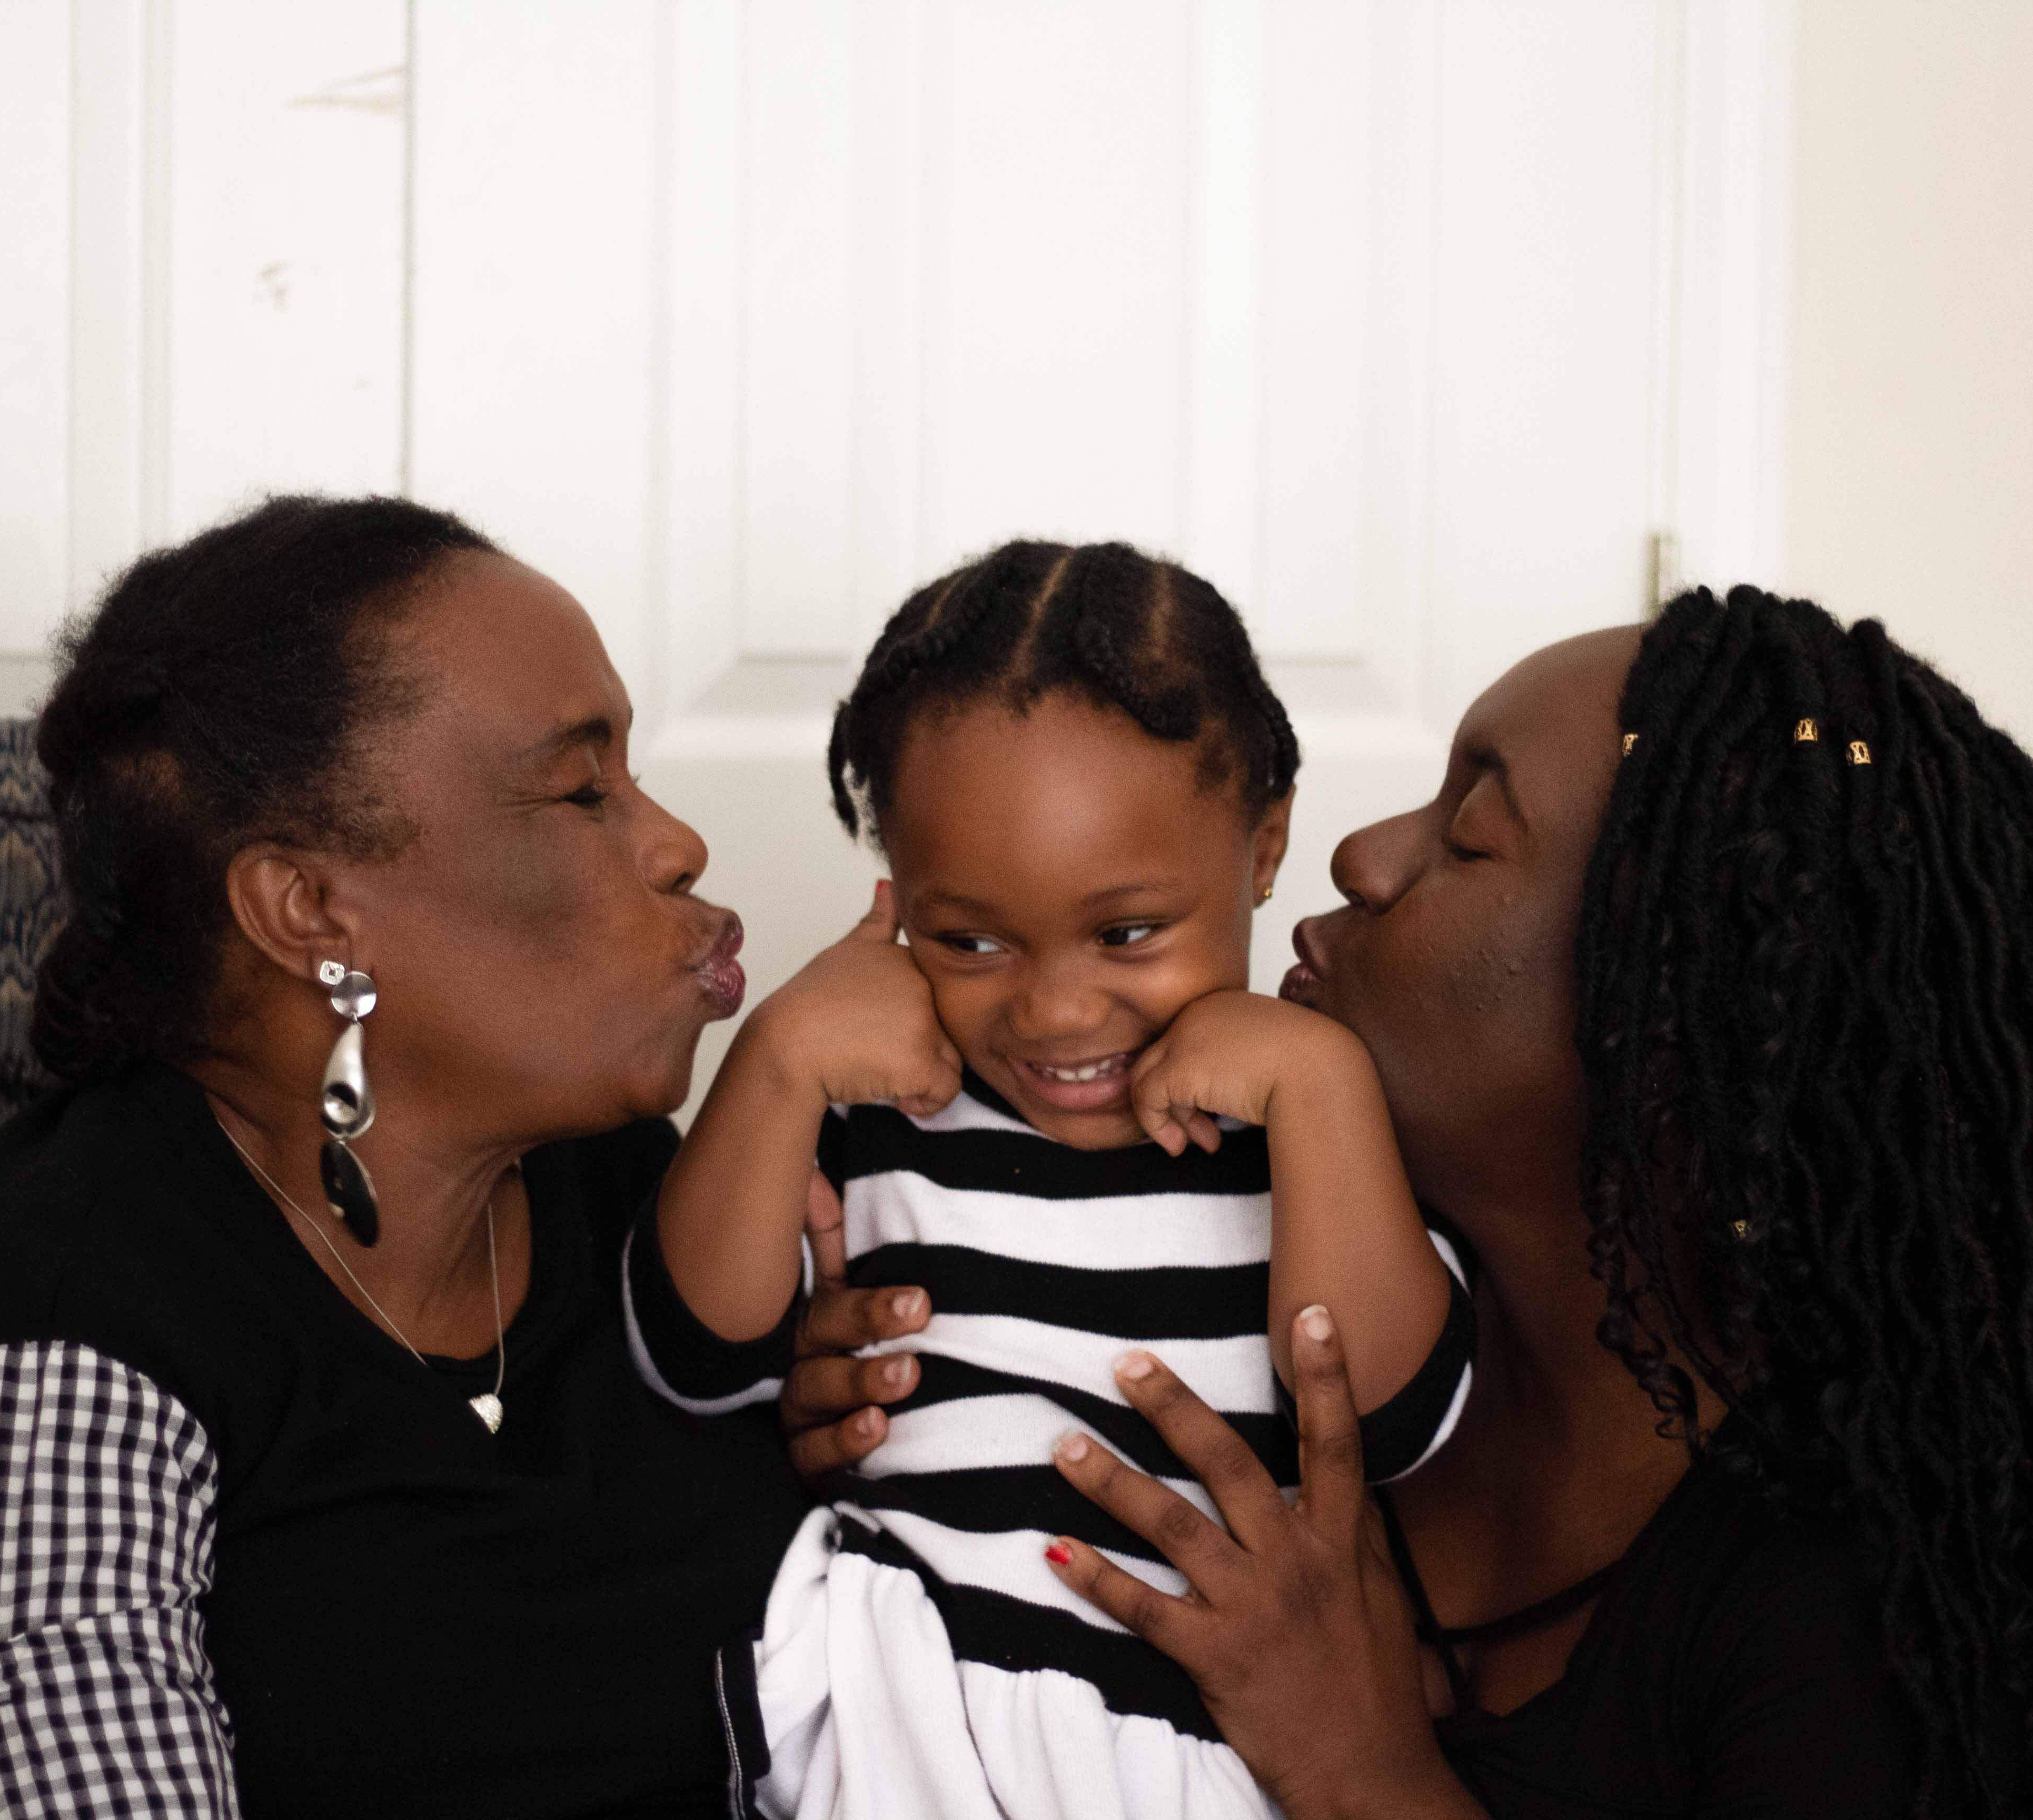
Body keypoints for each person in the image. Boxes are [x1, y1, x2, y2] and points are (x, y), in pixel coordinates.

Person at [803, 587, 2033, 1818]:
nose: (1356, 854)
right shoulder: (1299, 1328)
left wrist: (1366, 1775)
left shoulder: (1856, 1612)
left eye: (1468, 831)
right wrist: (872, 1379)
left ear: (1667, 1011)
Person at [0, 496, 811, 1817]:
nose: (678, 844)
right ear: (311, 910)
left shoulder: (642, 1195)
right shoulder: (42, 1362)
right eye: (582, 790)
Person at [624, 540, 1477, 1819]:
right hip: (893, 1740)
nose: (1056, 1010)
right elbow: (695, 1353)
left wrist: (1324, 1091)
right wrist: (781, 1057)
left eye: (1128, 932)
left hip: (1189, 1764)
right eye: (967, 940)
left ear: (1264, 847)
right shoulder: (885, 1120)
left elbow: (1396, 1418)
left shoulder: (1309, 1140)